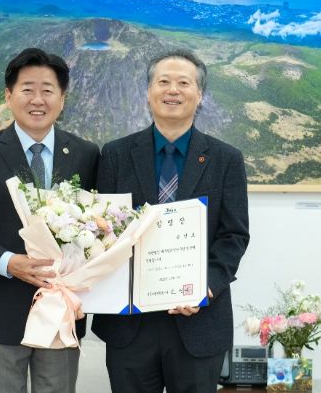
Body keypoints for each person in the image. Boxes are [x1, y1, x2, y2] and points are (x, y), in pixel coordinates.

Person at [91, 49, 250, 393]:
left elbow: (234, 235)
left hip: (198, 320)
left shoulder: (226, 159)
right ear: (149, 92)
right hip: (130, 322)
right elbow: (103, 231)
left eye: (183, 83)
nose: (173, 90)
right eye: (163, 82)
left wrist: (205, 287)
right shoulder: (116, 154)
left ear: (200, 94)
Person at [0, 48, 99, 393]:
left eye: (48, 90)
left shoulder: (86, 154)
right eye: (27, 89)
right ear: (8, 95)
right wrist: (8, 262)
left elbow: (98, 224)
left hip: (61, 312)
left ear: (62, 98)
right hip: (0, 310)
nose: (37, 100)